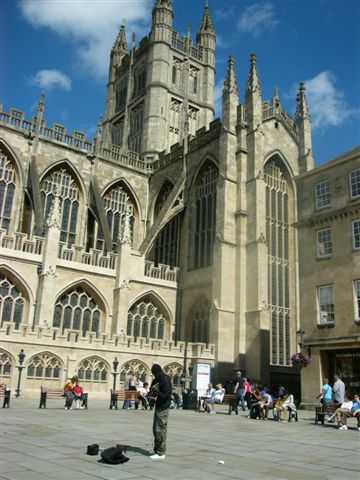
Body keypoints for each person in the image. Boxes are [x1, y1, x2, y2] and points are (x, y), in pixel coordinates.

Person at [148, 364, 172, 460]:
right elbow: (152, 387)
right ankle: (157, 450)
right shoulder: (157, 379)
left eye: (155, 374)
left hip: (163, 407)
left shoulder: (165, 380)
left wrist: (157, 392)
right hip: (158, 406)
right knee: (155, 429)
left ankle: (161, 453)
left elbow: (166, 396)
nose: (154, 376)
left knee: (161, 429)